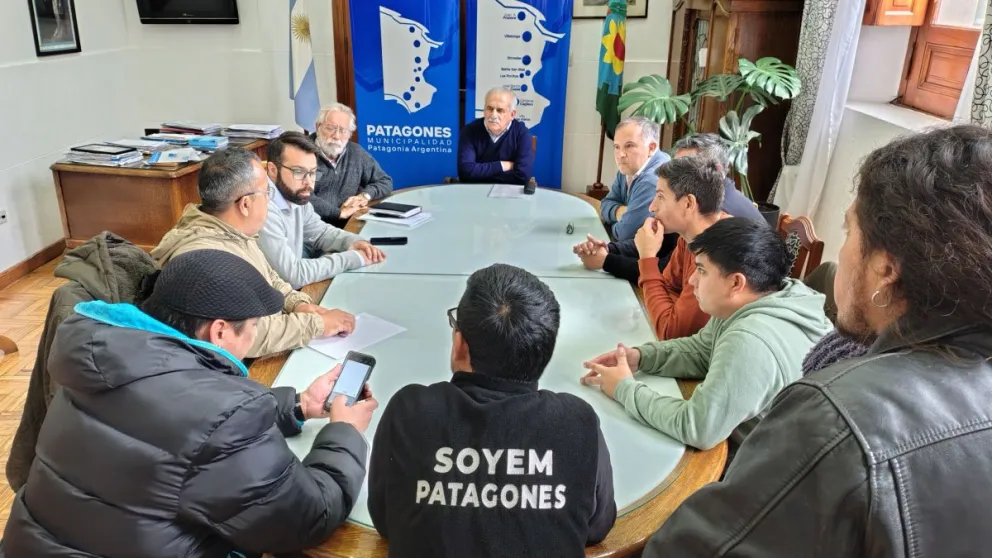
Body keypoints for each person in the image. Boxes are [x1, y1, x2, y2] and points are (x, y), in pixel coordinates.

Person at [641, 124, 992, 556]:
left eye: (848, 232)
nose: (840, 255)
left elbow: (691, 548)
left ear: (886, 268)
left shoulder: (836, 419)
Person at [1, 249, 379, 557]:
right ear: (218, 331)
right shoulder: (220, 414)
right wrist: (344, 432)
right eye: (251, 328)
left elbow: (169, 428)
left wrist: (296, 405)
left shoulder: (100, 355)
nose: (253, 337)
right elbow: (306, 518)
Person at [368, 264, 616, 557]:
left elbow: (386, 520)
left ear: (459, 344)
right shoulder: (576, 421)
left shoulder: (409, 411)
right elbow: (597, 526)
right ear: (544, 349)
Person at [580, 219, 830, 453]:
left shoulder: (750, 339)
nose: (692, 280)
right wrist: (641, 357)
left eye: (702, 271)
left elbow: (699, 427)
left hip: (759, 462)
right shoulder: (760, 298)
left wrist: (624, 389)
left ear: (736, 283)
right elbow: (702, 350)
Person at [151, 147, 354, 358]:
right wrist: (316, 325)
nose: (270, 200)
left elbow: (268, 279)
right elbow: (248, 335)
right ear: (245, 205)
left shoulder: (233, 232)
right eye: (267, 193)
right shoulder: (208, 263)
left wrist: (298, 304)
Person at [575, 133, 761, 282]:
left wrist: (606, 261)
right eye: (675, 166)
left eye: (686, 168)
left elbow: (668, 272)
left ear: (717, 171)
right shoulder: (695, 198)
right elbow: (663, 243)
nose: (675, 176)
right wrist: (609, 249)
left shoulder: (715, 212)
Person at [257, 131, 386, 289]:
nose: (308, 183)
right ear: (272, 170)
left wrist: (353, 241)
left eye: (312, 173)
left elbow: (320, 233)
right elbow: (293, 276)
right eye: (298, 172)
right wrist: (354, 258)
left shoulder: (296, 194)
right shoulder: (262, 208)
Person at [309, 102, 393, 227]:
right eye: (330, 128)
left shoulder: (356, 153)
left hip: (349, 224)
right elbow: (301, 196)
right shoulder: (302, 153)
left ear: (350, 133)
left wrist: (364, 196)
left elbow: (385, 181)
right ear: (317, 127)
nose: (336, 136)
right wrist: (338, 213)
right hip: (313, 227)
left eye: (343, 131)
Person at [598, 116, 671, 241]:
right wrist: (620, 212)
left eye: (629, 146)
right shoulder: (629, 166)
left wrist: (619, 219)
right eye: (617, 147)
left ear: (651, 148)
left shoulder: (653, 181)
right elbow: (604, 204)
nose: (621, 154)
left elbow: (624, 234)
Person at [457, 87, 535, 185]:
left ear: (512, 114)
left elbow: (522, 176)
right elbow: (465, 173)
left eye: (500, 110)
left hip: (510, 196)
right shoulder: (469, 131)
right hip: (475, 193)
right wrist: (503, 166)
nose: (493, 115)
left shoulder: (522, 134)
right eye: (489, 109)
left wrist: (479, 173)